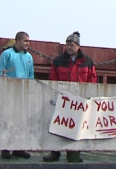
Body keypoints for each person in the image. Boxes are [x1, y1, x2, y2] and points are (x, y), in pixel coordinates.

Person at [43, 31, 97, 163]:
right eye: (67, 44)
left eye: (71, 45)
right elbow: (53, 78)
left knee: (77, 127)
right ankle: (55, 152)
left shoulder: (88, 61)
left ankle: (74, 154)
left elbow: (92, 78)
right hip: (62, 100)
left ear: (78, 46)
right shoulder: (58, 61)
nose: (68, 47)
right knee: (58, 126)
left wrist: (87, 96)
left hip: (79, 101)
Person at [0, 31, 34, 159]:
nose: (27, 43)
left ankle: (19, 148)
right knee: (7, 121)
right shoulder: (7, 54)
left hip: (23, 94)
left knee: (22, 122)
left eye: (28, 41)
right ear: (17, 41)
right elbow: (0, 72)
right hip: (9, 93)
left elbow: (31, 75)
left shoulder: (29, 57)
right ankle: (5, 148)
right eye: (25, 41)